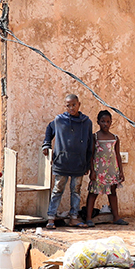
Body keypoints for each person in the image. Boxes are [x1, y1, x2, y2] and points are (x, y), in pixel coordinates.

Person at [42, 94, 94, 229]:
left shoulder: (86, 122)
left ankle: (74, 217)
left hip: (79, 162)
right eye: (68, 105)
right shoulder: (59, 120)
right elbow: (49, 129)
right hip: (62, 161)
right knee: (58, 189)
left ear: (79, 104)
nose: (71, 108)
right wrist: (46, 144)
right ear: (65, 106)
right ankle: (51, 218)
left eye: (74, 105)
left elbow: (90, 144)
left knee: (76, 190)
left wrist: (88, 163)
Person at [85, 110, 128, 227]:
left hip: (111, 170)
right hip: (99, 170)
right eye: (103, 121)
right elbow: (91, 154)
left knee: (113, 192)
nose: (105, 124)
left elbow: (117, 155)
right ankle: (88, 218)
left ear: (111, 123)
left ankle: (116, 217)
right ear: (98, 122)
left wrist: (121, 172)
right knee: (93, 192)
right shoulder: (95, 137)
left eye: (108, 122)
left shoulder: (115, 138)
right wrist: (92, 171)